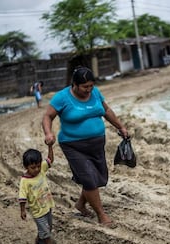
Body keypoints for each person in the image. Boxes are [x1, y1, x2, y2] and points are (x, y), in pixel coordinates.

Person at [42, 66, 128, 228]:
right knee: (89, 179)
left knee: (96, 177)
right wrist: (48, 133)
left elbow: (106, 110)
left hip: (96, 144)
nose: (89, 90)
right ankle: (102, 215)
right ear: (74, 84)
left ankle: (81, 204)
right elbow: (48, 116)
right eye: (85, 87)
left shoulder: (95, 93)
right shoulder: (61, 98)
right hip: (73, 145)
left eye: (91, 86)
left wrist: (120, 127)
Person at [18, 146, 58, 244]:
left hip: (47, 206)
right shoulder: (25, 181)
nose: (36, 169)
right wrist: (22, 210)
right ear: (26, 167)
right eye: (33, 167)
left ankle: (40, 240)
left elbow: (50, 159)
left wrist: (50, 146)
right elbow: (22, 197)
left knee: (48, 227)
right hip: (37, 211)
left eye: (38, 166)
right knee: (46, 231)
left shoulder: (41, 170)